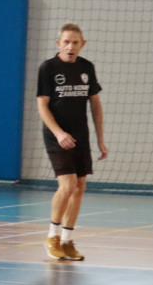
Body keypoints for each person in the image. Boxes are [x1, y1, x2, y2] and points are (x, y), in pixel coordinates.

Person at [36, 22, 107, 261]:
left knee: (79, 189)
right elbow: (42, 105)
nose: (70, 46)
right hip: (57, 136)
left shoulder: (87, 67)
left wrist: (100, 139)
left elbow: (95, 105)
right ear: (59, 44)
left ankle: (67, 241)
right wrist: (57, 133)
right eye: (66, 42)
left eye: (75, 42)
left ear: (82, 44)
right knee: (66, 186)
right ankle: (52, 236)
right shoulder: (48, 68)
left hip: (81, 136)